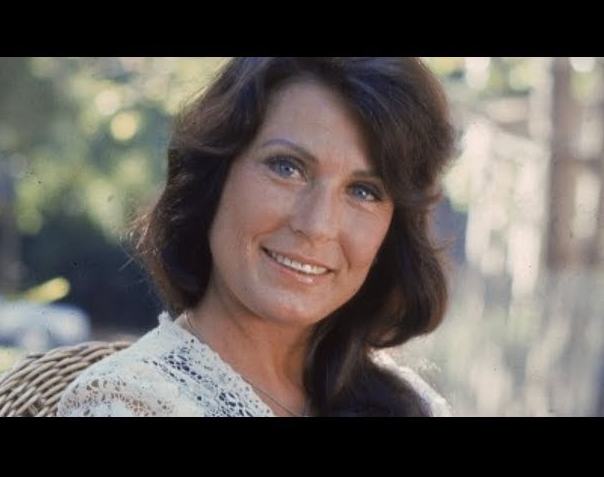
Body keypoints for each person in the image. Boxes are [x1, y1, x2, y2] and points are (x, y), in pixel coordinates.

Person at [57, 57, 456, 417]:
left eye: (363, 191)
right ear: (213, 176)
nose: (317, 225)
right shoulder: (125, 404)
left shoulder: (411, 403)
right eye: (287, 168)